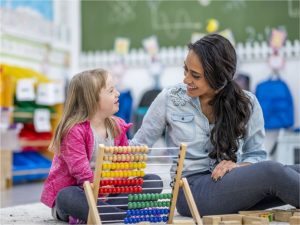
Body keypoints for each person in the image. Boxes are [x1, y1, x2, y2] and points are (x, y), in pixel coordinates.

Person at [130, 34, 300, 216]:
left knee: (292, 171)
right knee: (273, 172)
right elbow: (139, 146)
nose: (186, 79)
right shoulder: (170, 99)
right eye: (185, 70)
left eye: (195, 75)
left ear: (218, 79)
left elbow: (255, 155)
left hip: (234, 187)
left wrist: (238, 167)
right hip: (191, 192)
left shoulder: (247, 102)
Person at [41, 69, 162, 224]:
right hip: (81, 192)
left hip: (109, 193)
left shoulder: (117, 126)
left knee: (153, 182)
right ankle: (116, 215)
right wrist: (102, 188)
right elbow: (81, 173)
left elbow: (123, 165)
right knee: (65, 196)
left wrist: (117, 184)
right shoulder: (73, 131)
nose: (118, 93)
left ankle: (103, 213)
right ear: (91, 99)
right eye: (111, 90)